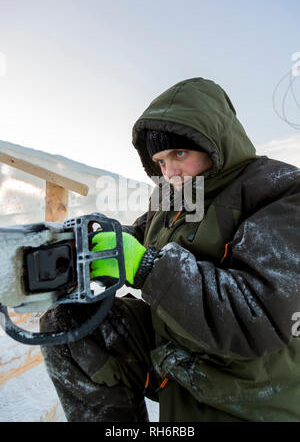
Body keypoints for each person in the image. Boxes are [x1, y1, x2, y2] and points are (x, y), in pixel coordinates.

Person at [40, 77, 300, 422]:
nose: (170, 172)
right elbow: (140, 234)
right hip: (175, 349)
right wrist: (93, 245)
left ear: (214, 143)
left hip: (246, 386)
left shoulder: (279, 191)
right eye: (161, 162)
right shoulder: (175, 194)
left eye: (179, 153)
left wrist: (146, 267)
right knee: (69, 324)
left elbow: (258, 315)